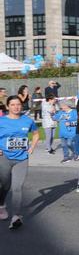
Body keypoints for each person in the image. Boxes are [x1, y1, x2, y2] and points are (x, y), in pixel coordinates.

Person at [0, 96, 40, 230]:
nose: (16, 107)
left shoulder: (27, 120)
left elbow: (36, 134)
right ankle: (1, 205)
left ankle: (16, 216)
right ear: (7, 107)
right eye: (12, 104)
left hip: (22, 158)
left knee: (17, 187)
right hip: (4, 157)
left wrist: (32, 148)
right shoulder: (2, 121)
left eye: (18, 104)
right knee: (5, 185)